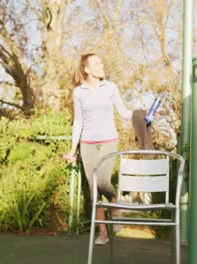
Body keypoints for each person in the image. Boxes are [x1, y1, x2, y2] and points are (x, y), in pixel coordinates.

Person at [63, 53, 133, 245]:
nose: (102, 65)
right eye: (97, 63)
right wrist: (72, 149)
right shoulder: (79, 92)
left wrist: (142, 114)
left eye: (102, 62)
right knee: (94, 189)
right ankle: (103, 233)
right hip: (87, 144)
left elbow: (124, 112)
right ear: (86, 69)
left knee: (102, 181)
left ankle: (116, 209)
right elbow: (78, 121)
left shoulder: (110, 87)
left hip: (109, 140)